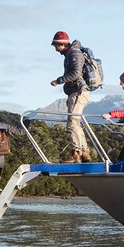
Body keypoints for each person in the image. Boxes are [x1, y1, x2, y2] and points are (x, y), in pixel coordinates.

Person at [49, 30, 91, 163]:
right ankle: (84, 153)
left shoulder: (74, 54)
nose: (55, 49)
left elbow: (77, 73)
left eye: (56, 45)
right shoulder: (71, 53)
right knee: (75, 123)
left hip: (78, 92)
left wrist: (59, 80)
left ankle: (76, 153)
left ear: (61, 44)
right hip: (75, 92)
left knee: (72, 123)